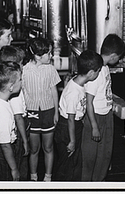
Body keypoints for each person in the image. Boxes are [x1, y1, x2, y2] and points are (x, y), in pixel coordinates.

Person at [81, 34, 125, 181]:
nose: (118, 61)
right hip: (95, 117)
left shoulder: (105, 68)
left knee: (104, 153)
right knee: (90, 156)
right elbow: (89, 101)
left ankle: (99, 182)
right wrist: (94, 126)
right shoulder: (97, 72)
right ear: (113, 56)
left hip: (106, 115)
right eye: (118, 57)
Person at [53, 50, 103, 181]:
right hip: (67, 128)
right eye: (98, 71)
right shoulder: (73, 92)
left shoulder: (78, 83)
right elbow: (70, 118)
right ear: (92, 73)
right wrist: (72, 141)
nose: (98, 74)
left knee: (73, 162)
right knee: (65, 164)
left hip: (74, 125)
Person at [22, 37, 61, 182]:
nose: (51, 56)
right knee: (34, 149)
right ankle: (33, 177)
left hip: (48, 111)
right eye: (49, 54)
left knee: (48, 147)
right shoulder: (24, 70)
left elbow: (54, 91)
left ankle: (48, 177)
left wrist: (56, 112)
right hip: (31, 112)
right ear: (38, 56)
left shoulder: (50, 69)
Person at [0, 45, 30, 180]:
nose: (23, 66)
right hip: (17, 133)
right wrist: (25, 141)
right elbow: (18, 118)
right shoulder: (15, 93)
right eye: (22, 63)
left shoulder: (3, 83)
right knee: (21, 168)